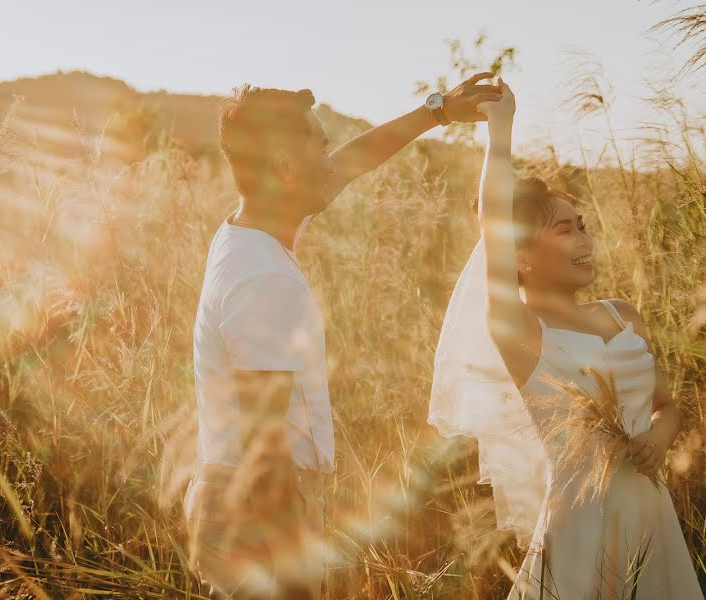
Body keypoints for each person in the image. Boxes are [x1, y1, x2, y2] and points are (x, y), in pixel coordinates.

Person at [186, 75, 502, 599]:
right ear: (286, 168)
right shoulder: (263, 278)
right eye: (321, 146)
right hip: (260, 511)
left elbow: (355, 162)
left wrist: (438, 111)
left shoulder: (252, 230)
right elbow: (266, 450)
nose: (333, 160)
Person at [429, 79, 705, 599]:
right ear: (521, 253)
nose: (585, 239)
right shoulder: (522, 334)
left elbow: (667, 407)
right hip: (581, 526)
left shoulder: (623, 316)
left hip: (651, 517)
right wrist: (501, 128)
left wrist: (658, 439)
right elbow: (492, 222)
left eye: (583, 226)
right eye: (565, 230)